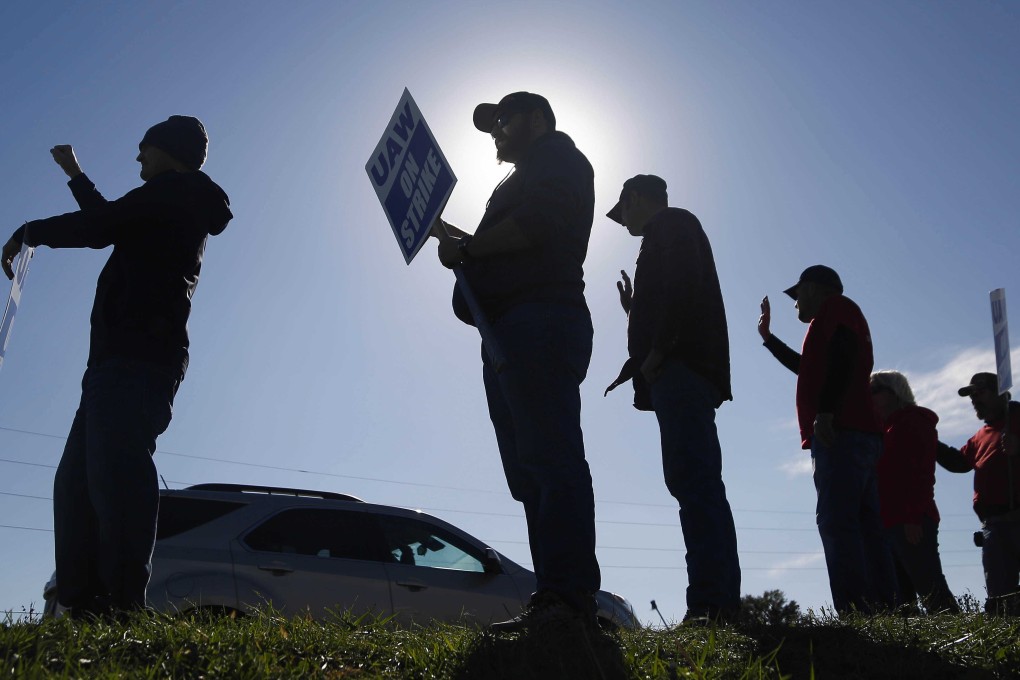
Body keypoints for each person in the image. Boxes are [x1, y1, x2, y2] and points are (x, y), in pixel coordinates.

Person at [2, 116, 233, 619]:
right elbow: (111, 221)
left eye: (143, 149)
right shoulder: (163, 201)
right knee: (76, 483)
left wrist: (30, 231)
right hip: (111, 364)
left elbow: (101, 226)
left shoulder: (181, 193)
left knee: (117, 474)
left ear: (168, 151)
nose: (137, 158)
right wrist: (75, 173)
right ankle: (85, 605)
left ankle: (123, 606)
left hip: (140, 360)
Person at [431, 92, 600, 631]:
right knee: (530, 470)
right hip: (508, 330)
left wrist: (471, 250)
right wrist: (449, 236)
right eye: (491, 125)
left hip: (539, 321)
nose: (496, 132)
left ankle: (570, 599)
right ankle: (554, 596)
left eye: (504, 120)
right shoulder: (516, 178)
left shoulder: (557, 157)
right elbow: (495, 242)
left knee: (550, 461)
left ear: (538, 119)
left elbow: (538, 226)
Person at [603, 174, 740, 624]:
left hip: (680, 371)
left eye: (623, 210)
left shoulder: (672, 225)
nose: (622, 221)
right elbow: (672, 295)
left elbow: (682, 290)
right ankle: (713, 600)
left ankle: (711, 603)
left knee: (695, 484)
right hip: (679, 372)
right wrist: (635, 312)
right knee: (694, 483)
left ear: (637, 199)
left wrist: (658, 352)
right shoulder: (668, 234)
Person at [757, 266, 896, 615]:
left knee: (837, 521)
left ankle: (856, 610)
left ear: (816, 289)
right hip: (857, 432)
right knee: (865, 524)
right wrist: (769, 338)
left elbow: (844, 357)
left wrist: (827, 413)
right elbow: (811, 368)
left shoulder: (836, 310)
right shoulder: (838, 318)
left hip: (842, 433)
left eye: (798, 294)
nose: (795, 303)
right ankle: (885, 608)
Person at [870, 370, 959, 614]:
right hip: (892, 519)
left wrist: (912, 517)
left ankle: (958, 636)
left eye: (875, 390)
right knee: (903, 594)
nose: (869, 396)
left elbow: (919, 473)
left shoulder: (912, 421)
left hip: (910, 520)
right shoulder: (887, 428)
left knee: (930, 587)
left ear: (894, 392)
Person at [935, 372, 1020, 614]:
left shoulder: (1017, 419)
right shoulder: (980, 437)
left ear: (1000, 392)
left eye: (979, 393)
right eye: (971, 395)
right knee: (1000, 601)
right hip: (993, 527)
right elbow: (959, 462)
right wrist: (932, 442)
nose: (974, 399)